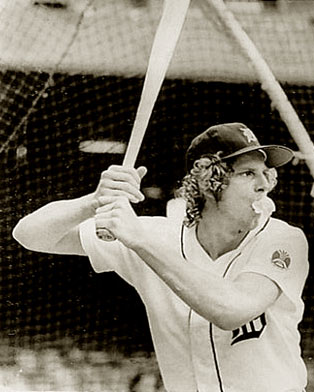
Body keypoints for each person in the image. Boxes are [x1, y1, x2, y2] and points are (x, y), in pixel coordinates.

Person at [13, 122, 309, 392]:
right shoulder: (159, 235)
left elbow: (230, 310)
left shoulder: (283, 239)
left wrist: (140, 240)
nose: (264, 184)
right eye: (248, 173)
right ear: (208, 179)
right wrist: (94, 201)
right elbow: (29, 234)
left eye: (265, 173)